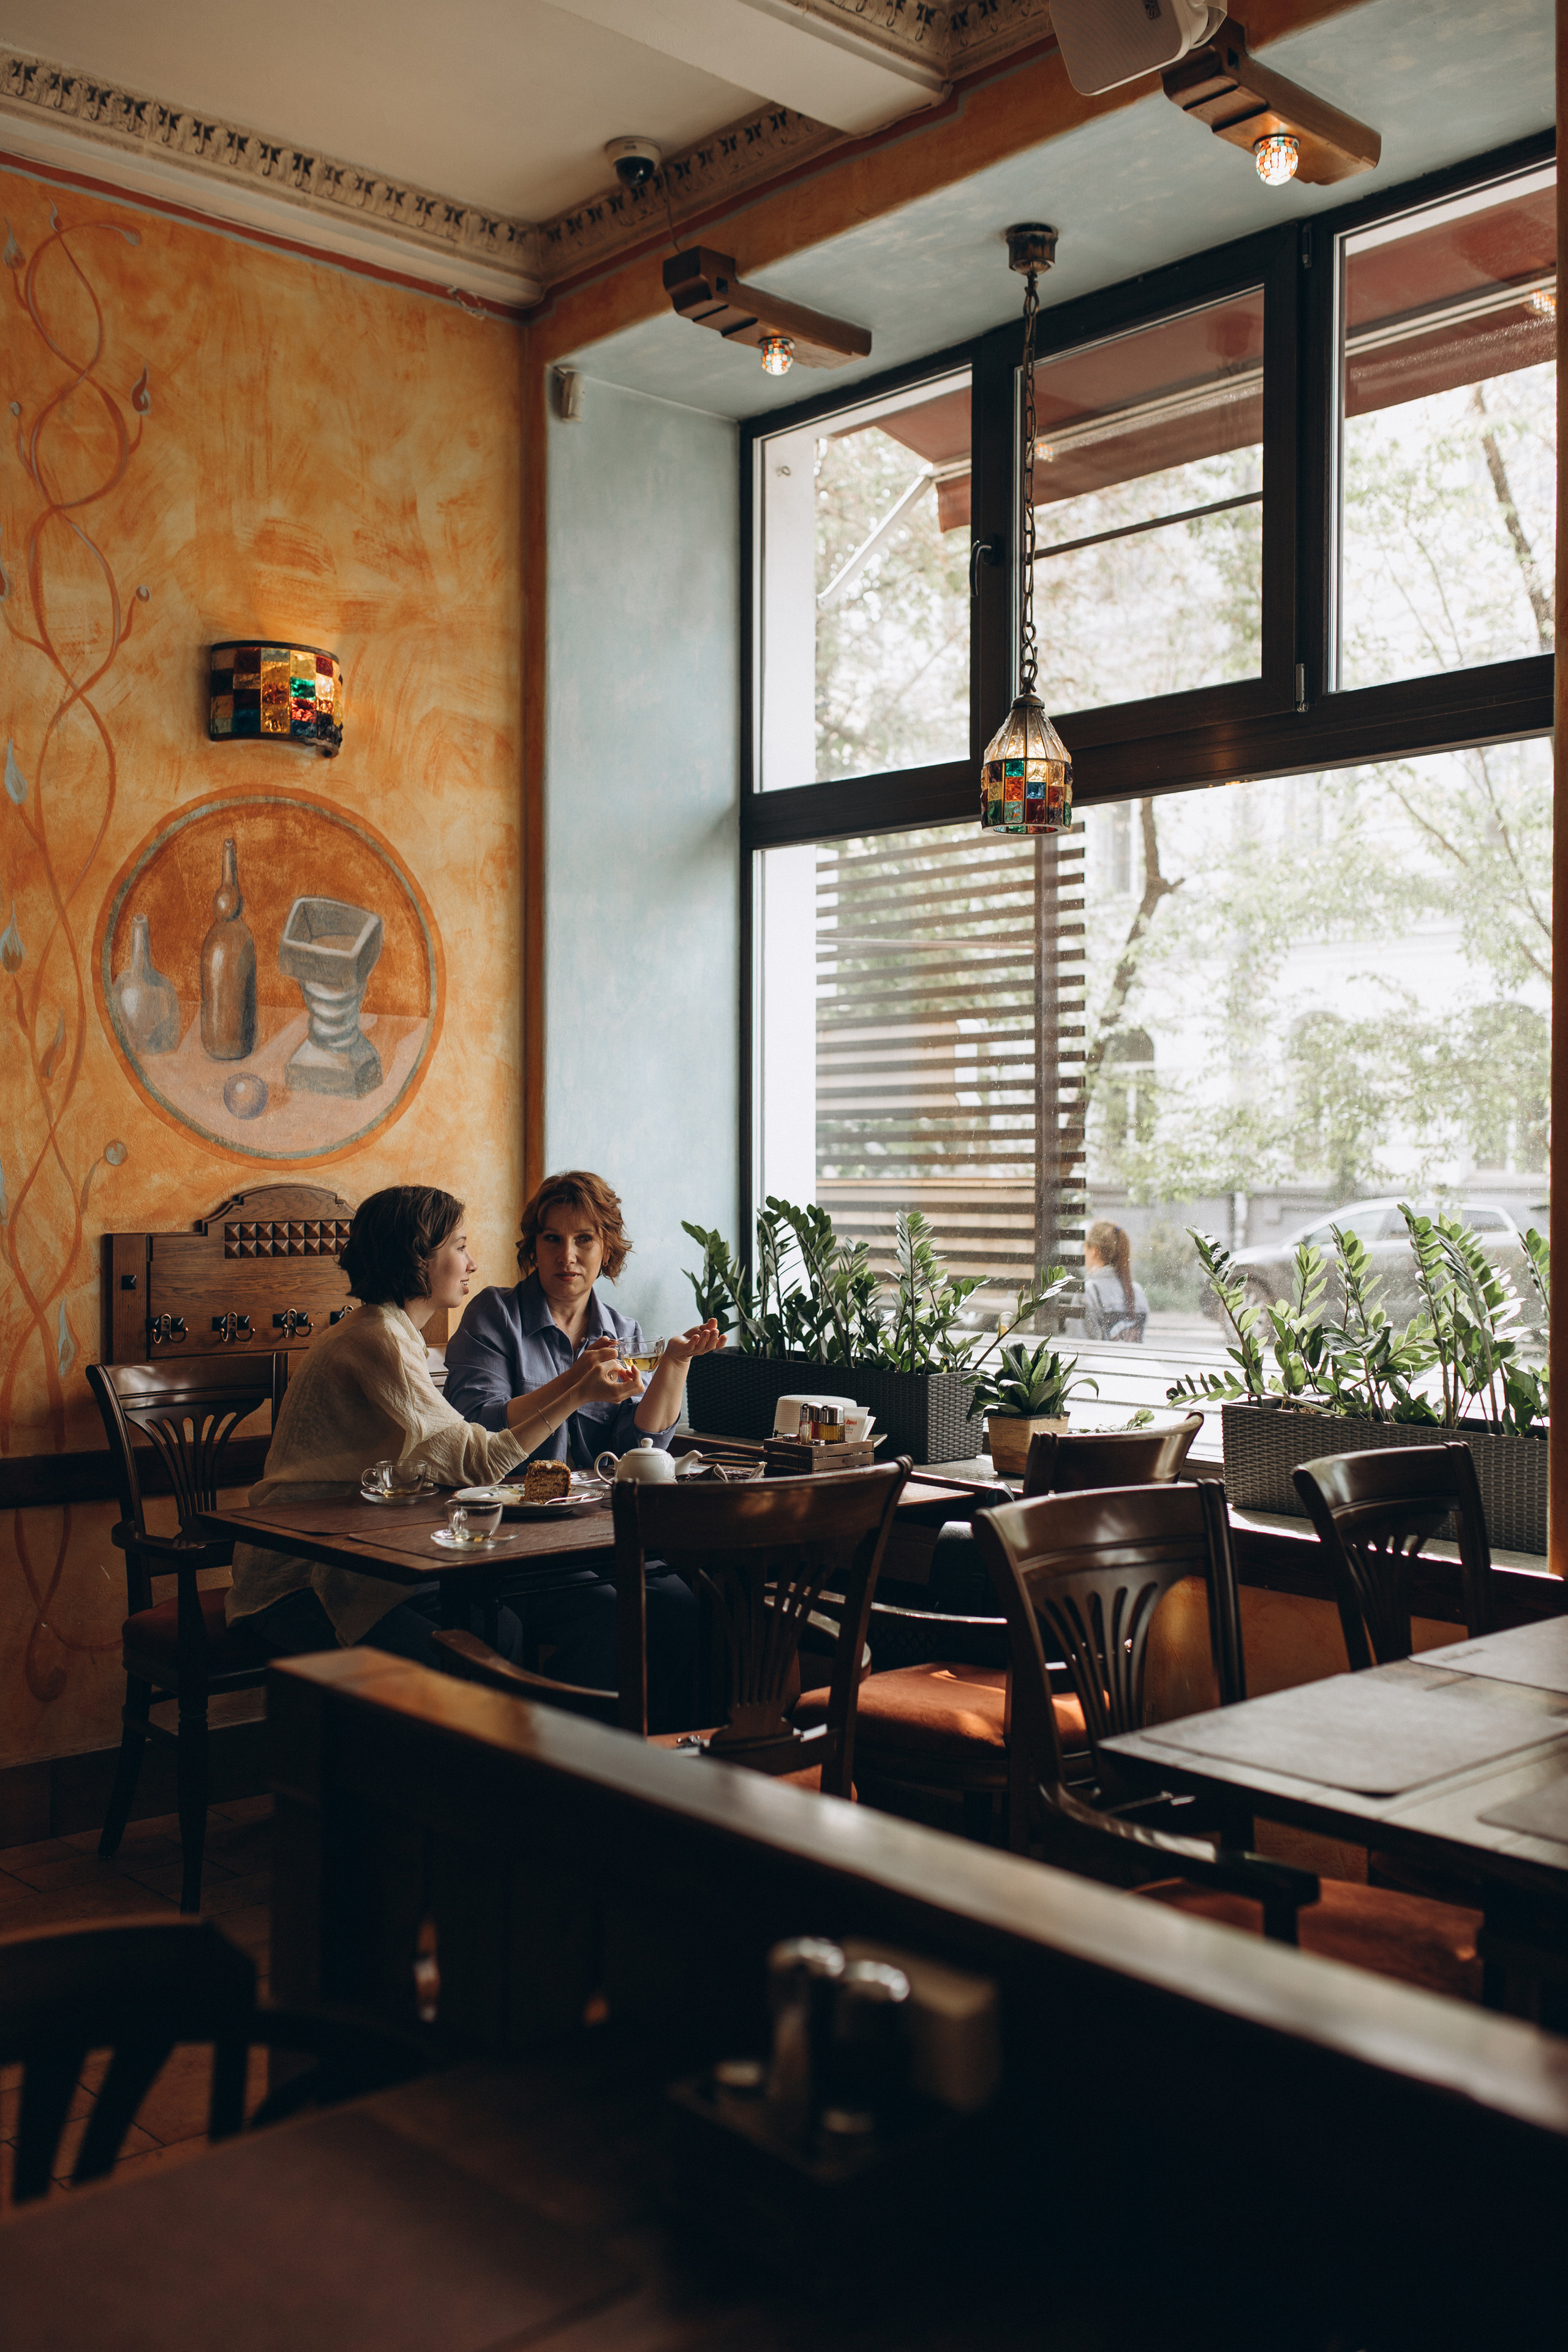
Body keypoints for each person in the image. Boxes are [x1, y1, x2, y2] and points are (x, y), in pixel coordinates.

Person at [225, 1185, 631, 1668]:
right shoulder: (379, 1340)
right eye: (460, 1247)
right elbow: (481, 1463)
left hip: (357, 1563)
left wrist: (579, 1386)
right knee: (477, 1650)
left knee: (498, 1627)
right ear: (418, 1258)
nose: (472, 1263)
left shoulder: (394, 1333)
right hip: (298, 1581)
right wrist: (579, 1390)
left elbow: (442, 1459)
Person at [443, 1169, 723, 1722]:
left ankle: (656, 1765)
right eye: (552, 1239)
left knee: (689, 1606)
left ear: (607, 1250)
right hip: (514, 1545)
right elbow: (478, 1428)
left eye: (584, 1240)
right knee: (608, 1616)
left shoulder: (621, 1329)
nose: (567, 1255)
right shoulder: (493, 1316)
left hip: (598, 1540)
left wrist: (675, 1365)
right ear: (534, 1247)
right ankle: (571, 1763)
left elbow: (638, 1446)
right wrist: (574, 1384)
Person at [1081, 1219, 1150, 1343]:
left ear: (1094, 1250)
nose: (1083, 1252)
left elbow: (1076, 1347)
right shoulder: (1138, 1292)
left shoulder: (1088, 1292)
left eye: (1084, 1247)